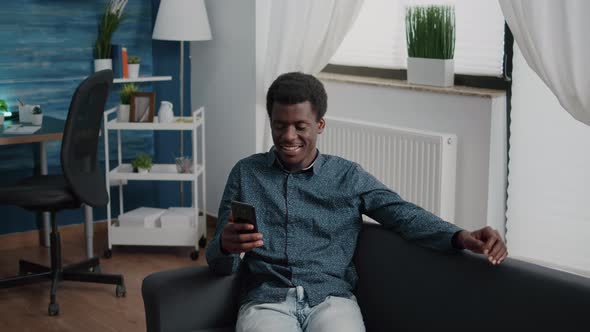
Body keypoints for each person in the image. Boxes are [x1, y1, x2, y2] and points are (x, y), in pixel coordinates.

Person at [206, 72, 508, 332]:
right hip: (266, 302)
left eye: (300, 126)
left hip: (331, 300)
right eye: (278, 125)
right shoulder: (247, 173)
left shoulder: (347, 176)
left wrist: (461, 236)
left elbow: (402, 214)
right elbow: (218, 262)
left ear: (320, 125)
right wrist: (225, 246)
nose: (288, 136)